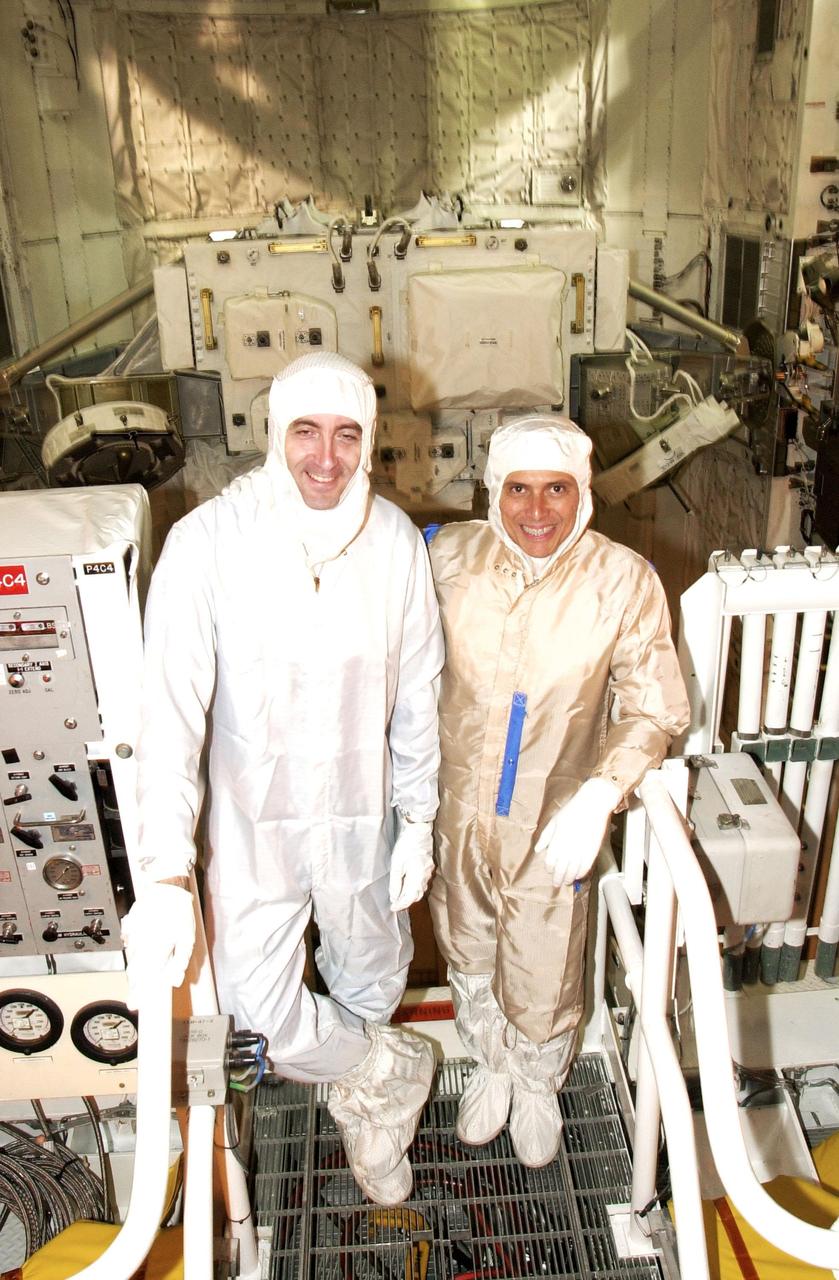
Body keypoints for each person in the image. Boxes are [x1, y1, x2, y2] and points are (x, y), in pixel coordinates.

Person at [122, 351, 444, 1205]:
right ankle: (384, 1070)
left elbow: (417, 694)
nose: (326, 459)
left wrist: (418, 818)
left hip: (358, 815)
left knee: (372, 972)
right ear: (273, 434)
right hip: (250, 827)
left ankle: (362, 1109)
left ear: (370, 441)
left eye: (347, 436)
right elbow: (168, 719)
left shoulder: (394, 544)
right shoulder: (206, 547)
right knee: (258, 1013)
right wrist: (161, 873)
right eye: (306, 432)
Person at [427, 414, 690, 1168]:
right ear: (491, 491)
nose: (537, 511)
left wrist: (600, 794)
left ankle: (539, 1079)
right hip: (454, 816)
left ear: (583, 494)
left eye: (556, 489)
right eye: (518, 489)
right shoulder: (449, 559)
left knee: (543, 963)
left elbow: (652, 707)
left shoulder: (622, 581)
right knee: (468, 949)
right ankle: (492, 1062)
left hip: (553, 822)